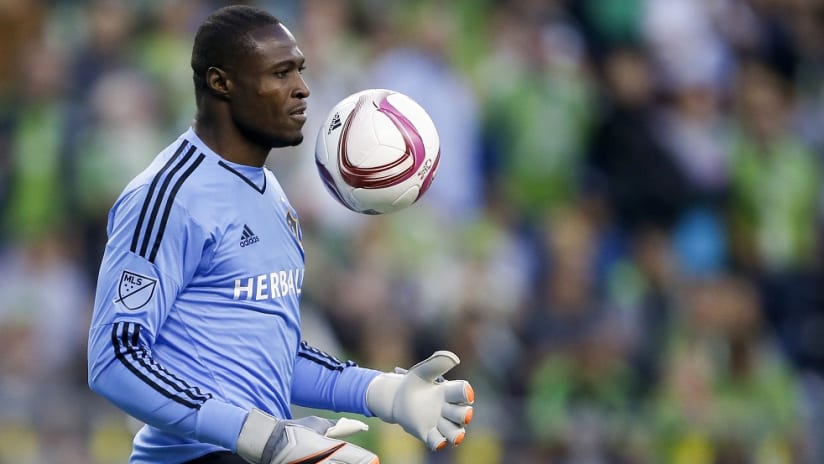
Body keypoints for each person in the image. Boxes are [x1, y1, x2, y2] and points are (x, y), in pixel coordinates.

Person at [86, 5, 474, 464]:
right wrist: (257, 434)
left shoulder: (271, 192)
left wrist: (384, 393)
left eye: (301, 71)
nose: (303, 89)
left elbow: (272, 352)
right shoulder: (169, 195)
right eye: (281, 73)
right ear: (220, 82)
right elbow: (115, 357)